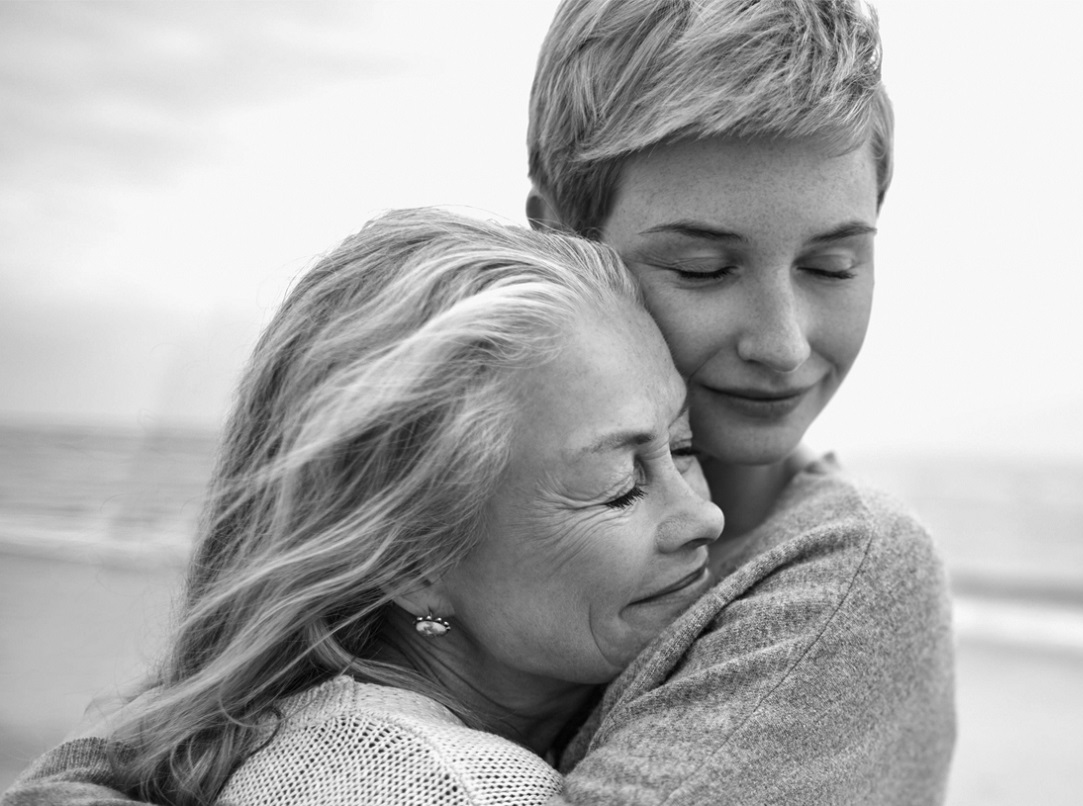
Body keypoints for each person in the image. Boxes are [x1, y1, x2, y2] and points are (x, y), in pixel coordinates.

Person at [8, 0, 957, 803]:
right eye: (702, 266)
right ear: (559, 235)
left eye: (835, 262)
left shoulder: (842, 581)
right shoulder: (447, 501)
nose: (783, 343)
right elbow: (167, 734)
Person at [6, 208, 724, 805]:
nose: (703, 517)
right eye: (618, 485)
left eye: (684, 447)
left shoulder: (304, 734)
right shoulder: (445, 786)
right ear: (416, 560)